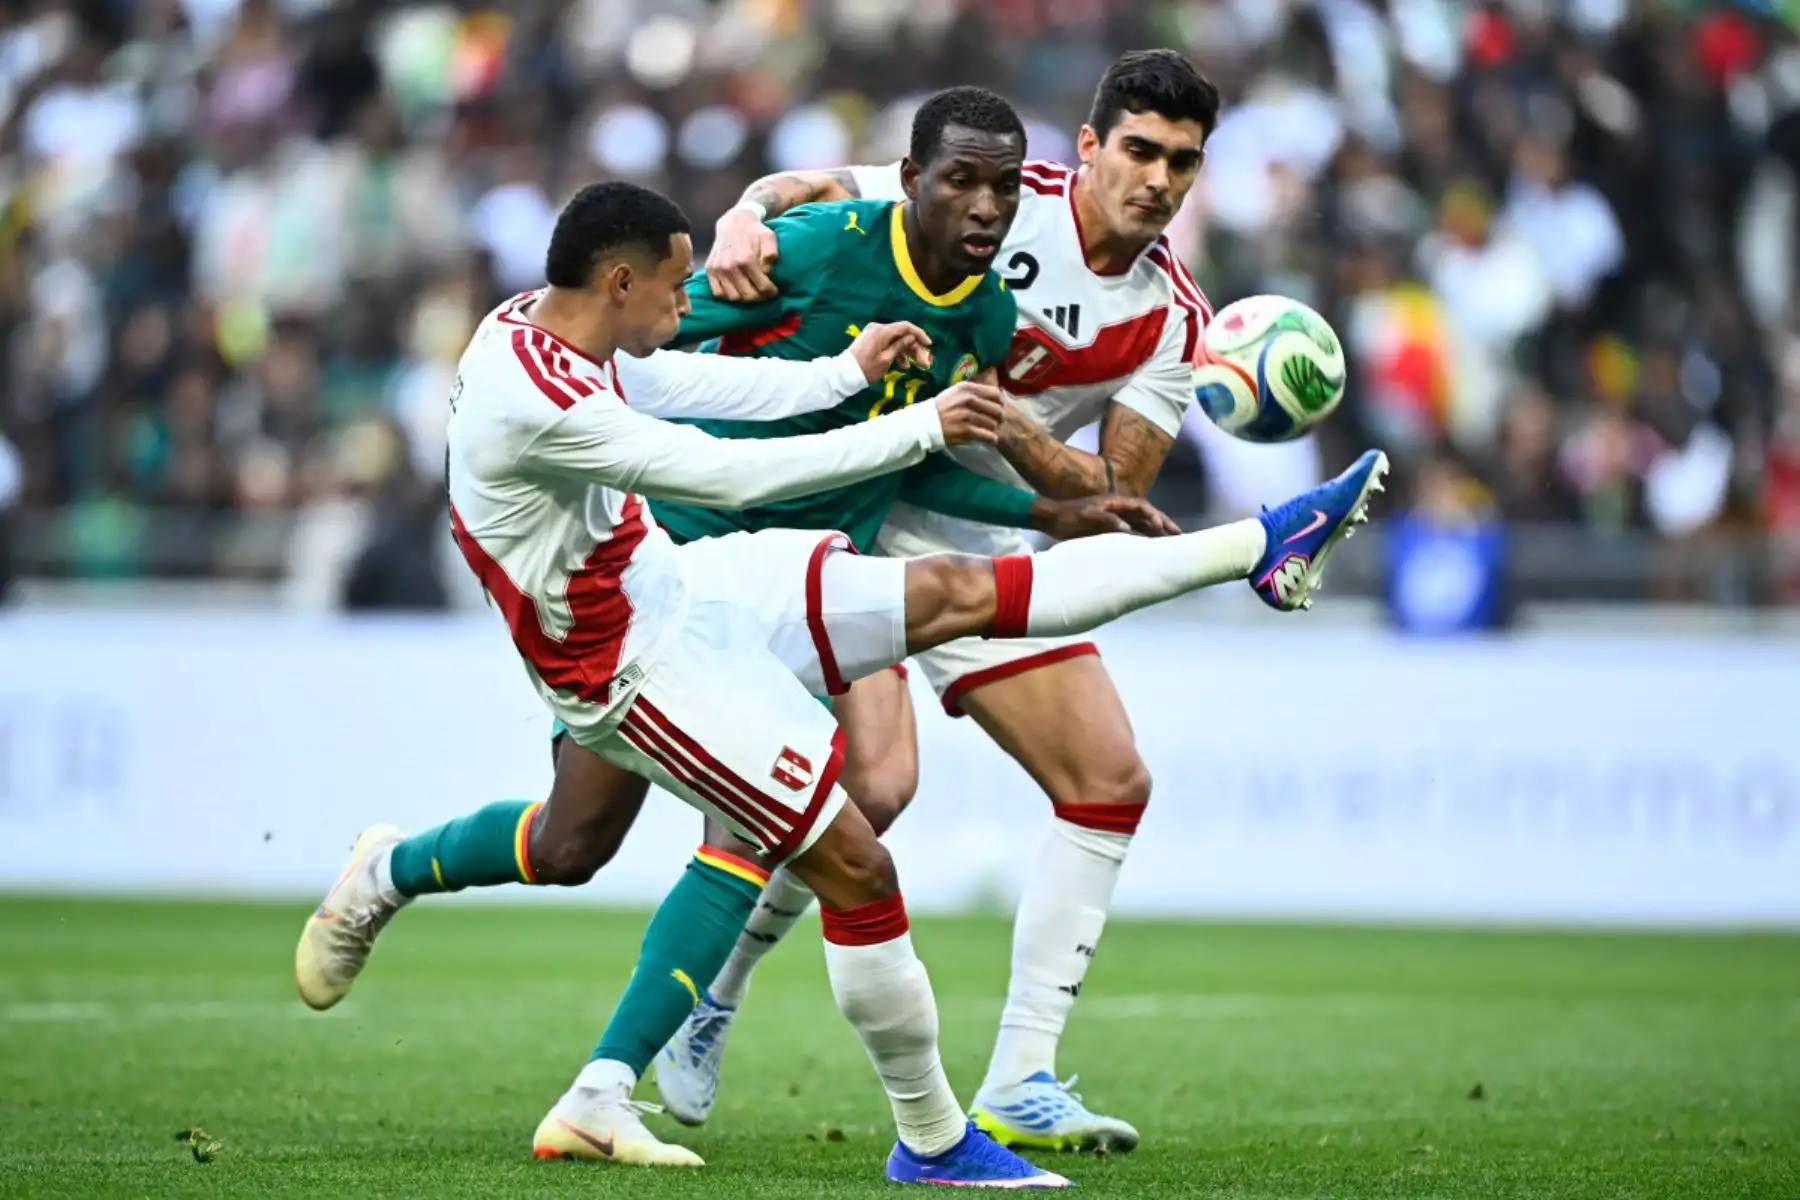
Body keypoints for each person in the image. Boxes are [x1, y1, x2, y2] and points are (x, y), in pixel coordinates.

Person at [293, 178, 1387, 1183]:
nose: (692, 297)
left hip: (683, 586)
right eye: (677, 283)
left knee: (952, 596)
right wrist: (915, 420)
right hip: (629, 668)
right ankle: (930, 1142)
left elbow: (679, 378)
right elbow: (719, 464)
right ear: (619, 280)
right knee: (852, 858)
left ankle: (1260, 545)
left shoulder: (542, 318)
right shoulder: (534, 398)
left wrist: (841, 377)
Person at [654, 50, 1229, 1154]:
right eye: (1141, 152)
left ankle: (1021, 1077)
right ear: (1095, 148)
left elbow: (1112, 492)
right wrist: (740, 212)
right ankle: (709, 994)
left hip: (981, 530)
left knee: (1109, 780)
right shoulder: (998, 192)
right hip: (862, 504)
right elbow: (818, 198)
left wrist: (1008, 432)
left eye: (1184, 163)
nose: (1157, 180)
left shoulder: (1167, 323)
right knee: (875, 784)